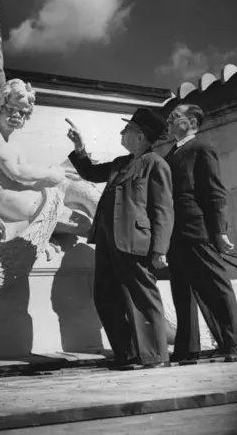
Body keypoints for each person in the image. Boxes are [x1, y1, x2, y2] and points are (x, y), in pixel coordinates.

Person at [67, 109, 174, 368]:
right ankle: (127, 353)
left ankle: (155, 355)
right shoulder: (119, 163)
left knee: (144, 298)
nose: (121, 134)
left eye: (126, 131)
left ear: (140, 136)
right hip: (107, 241)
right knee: (105, 296)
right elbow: (90, 173)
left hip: (134, 241)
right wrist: (80, 149)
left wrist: (160, 249)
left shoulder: (155, 164)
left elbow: (163, 209)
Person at [0, 79, 99, 243]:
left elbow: (24, 174)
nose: (16, 115)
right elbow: (16, 172)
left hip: (24, 194)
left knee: (81, 193)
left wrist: (58, 177)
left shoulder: (11, 143)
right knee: (82, 223)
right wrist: (51, 174)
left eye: (22, 112)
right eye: (11, 109)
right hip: (12, 203)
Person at [165, 103, 237, 363]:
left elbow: (215, 191)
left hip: (198, 229)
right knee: (182, 290)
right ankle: (187, 349)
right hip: (174, 232)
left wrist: (219, 231)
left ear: (190, 121)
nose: (168, 120)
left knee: (216, 286)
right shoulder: (170, 154)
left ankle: (233, 344)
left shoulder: (201, 147)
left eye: (174, 116)